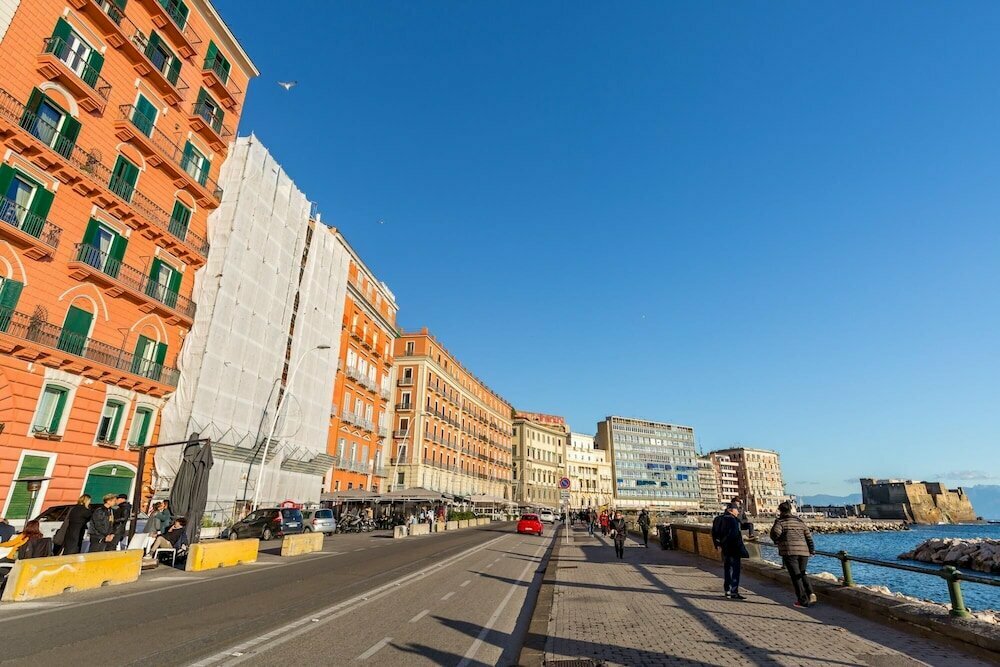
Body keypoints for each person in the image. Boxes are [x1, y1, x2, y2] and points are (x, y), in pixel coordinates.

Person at [770, 501, 817, 608]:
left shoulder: (781, 522)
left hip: (790, 551)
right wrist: (812, 550)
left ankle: (802, 601)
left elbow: (775, 534)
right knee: (802, 573)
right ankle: (811, 593)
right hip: (804, 551)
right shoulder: (799, 521)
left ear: (780, 510)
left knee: (796, 576)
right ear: (790, 509)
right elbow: (808, 537)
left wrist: (777, 540)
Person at [712, 504, 749, 600]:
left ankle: (727, 590)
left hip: (725, 548)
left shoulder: (718, 519)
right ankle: (734, 591)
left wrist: (718, 545)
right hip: (733, 548)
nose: (738, 512)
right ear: (731, 510)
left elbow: (714, 533)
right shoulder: (733, 520)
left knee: (727, 569)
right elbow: (734, 535)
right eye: (737, 510)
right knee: (735, 570)